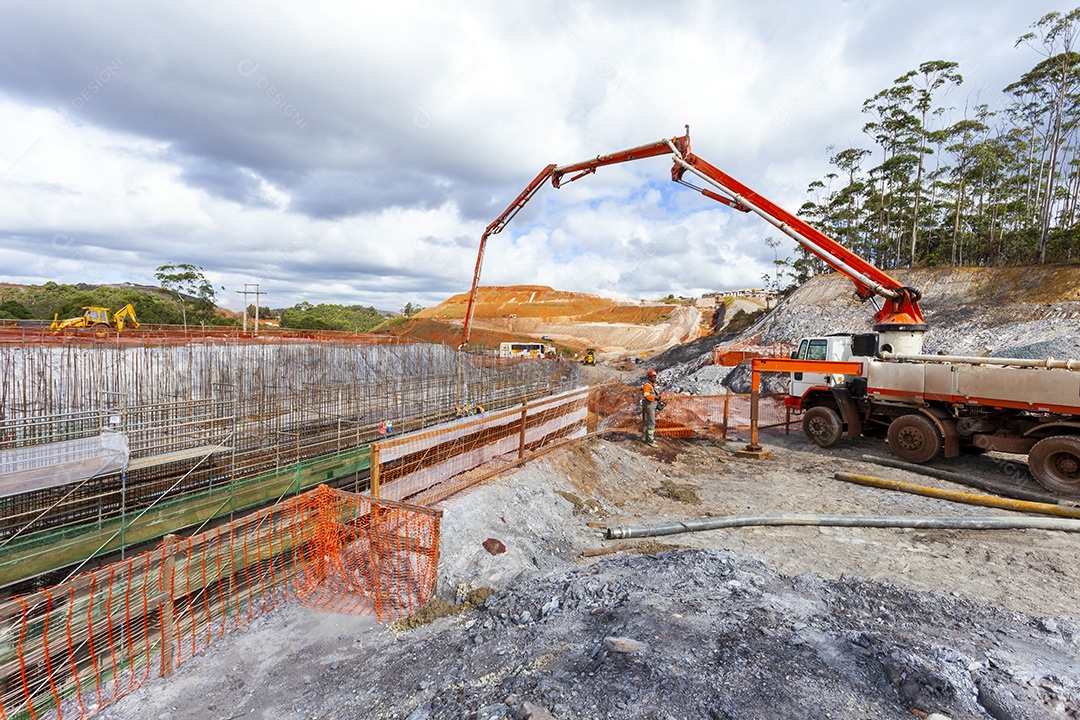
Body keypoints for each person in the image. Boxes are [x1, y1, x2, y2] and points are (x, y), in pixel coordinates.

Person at [641, 369, 660, 446]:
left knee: (649, 422)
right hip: (649, 406)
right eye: (653, 377)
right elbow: (646, 396)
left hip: (651, 406)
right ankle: (650, 440)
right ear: (649, 377)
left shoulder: (651, 386)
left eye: (655, 377)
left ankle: (648, 438)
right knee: (651, 423)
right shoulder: (647, 386)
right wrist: (655, 397)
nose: (655, 379)